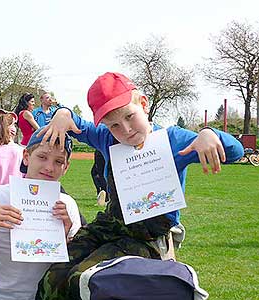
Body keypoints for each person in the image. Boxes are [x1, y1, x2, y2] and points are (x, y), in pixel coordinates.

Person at [35, 72, 244, 299]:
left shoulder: (173, 140)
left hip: (146, 238)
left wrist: (209, 133)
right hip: (109, 227)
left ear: (143, 104)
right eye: (114, 125)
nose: (125, 130)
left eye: (129, 117)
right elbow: (77, 124)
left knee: (83, 279)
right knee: (52, 277)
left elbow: (236, 152)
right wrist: (62, 113)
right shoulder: (107, 139)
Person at [0, 127, 82, 300]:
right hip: (0, 295)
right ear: (26, 157)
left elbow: (71, 264)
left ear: (66, 167)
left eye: (58, 161)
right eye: (42, 157)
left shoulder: (67, 205)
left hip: (47, 296)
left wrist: (64, 235)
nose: (49, 167)